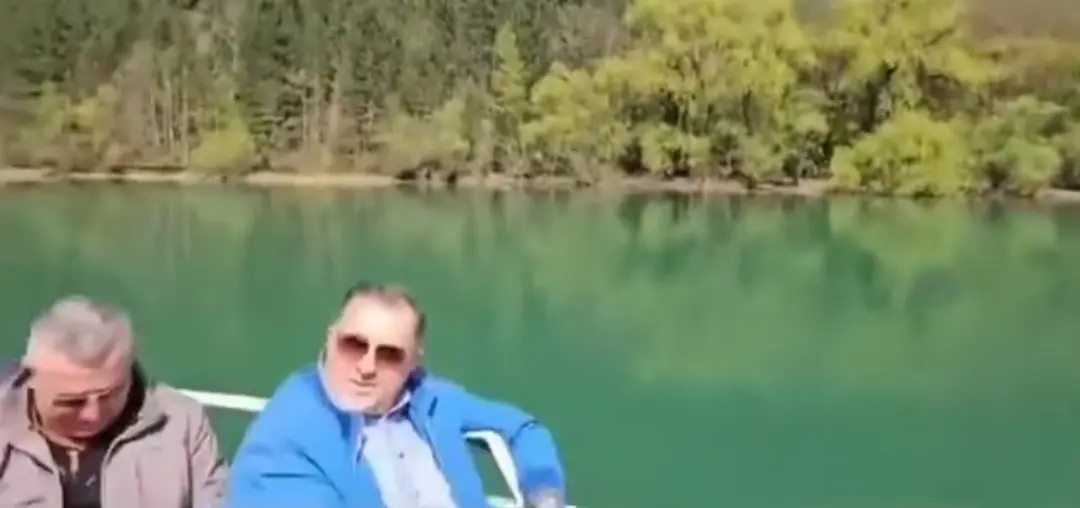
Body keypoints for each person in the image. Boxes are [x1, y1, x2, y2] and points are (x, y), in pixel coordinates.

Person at [227, 282, 567, 508]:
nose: (366, 366)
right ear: (330, 338)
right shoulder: (288, 434)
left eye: (389, 354)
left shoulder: (433, 399)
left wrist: (545, 494)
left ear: (414, 360)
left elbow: (522, 428)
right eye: (354, 344)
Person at [0, 295, 228, 508]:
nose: (93, 415)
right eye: (72, 402)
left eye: (112, 394)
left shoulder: (181, 422)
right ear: (30, 379)